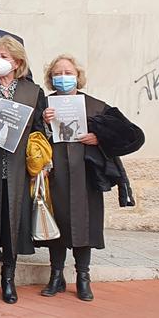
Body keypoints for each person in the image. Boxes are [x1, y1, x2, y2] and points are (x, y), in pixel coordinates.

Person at [0, 36, 46, 304]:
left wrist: (45, 123)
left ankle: (8, 280)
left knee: (10, 224)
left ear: (17, 62)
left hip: (15, 169)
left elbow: (39, 130)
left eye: (3, 56)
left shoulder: (32, 92)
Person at [37, 54, 117, 302]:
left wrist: (99, 138)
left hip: (85, 176)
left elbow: (127, 136)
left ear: (78, 76)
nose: (63, 78)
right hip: (55, 174)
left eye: (68, 73)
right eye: (57, 74)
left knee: (84, 225)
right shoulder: (44, 106)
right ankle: (56, 275)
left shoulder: (95, 106)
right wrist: (44, 124)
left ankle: (83, 276)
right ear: (51, 79)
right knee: (56, 224)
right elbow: (34, 138)